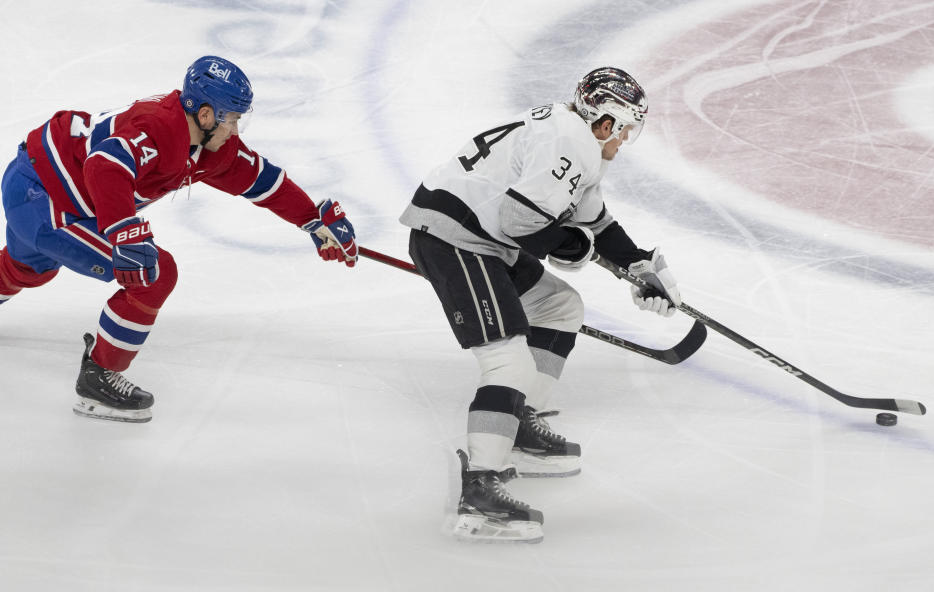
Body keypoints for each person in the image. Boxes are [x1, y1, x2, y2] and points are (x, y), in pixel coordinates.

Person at [399, 67, 681, 543]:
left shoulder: (573, 137)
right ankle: (480, 491)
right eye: (625, 129)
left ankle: (519, 424)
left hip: (481, 238)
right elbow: (522, 224)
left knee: (559, 307)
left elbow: (595, 222)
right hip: (457, 239)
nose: (624, 141)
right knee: (506, 359)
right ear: (605, 122)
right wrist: (577, 248)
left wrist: (640, 265)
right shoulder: (569, 143)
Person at [0, 55, 358, 423]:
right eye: (232, 119)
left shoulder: (209, 146)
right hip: (42, 199)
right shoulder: (156, 128)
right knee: (153, 273)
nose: (235, 131)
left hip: (39, 186)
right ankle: (98, 377)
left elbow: (262, 179)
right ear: (205, 115)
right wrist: (123, 230)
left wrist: (313, 220)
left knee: (27, 268)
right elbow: (104, 165)